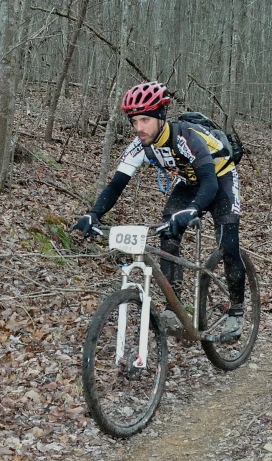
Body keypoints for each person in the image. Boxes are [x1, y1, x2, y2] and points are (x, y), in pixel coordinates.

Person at [72, 81, 246, 338]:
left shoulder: (186, 136)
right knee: (168, 233)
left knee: (228, 246)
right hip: (189, 181)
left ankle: (237, 312)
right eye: (134, 121)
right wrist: (93, 213)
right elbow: (116, 185)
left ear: (161, 117)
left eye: (145, 120)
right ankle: (173, 309)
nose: (138, 128)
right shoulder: (139, 146)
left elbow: (209, 182)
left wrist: (194, 210)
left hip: (219, 178)